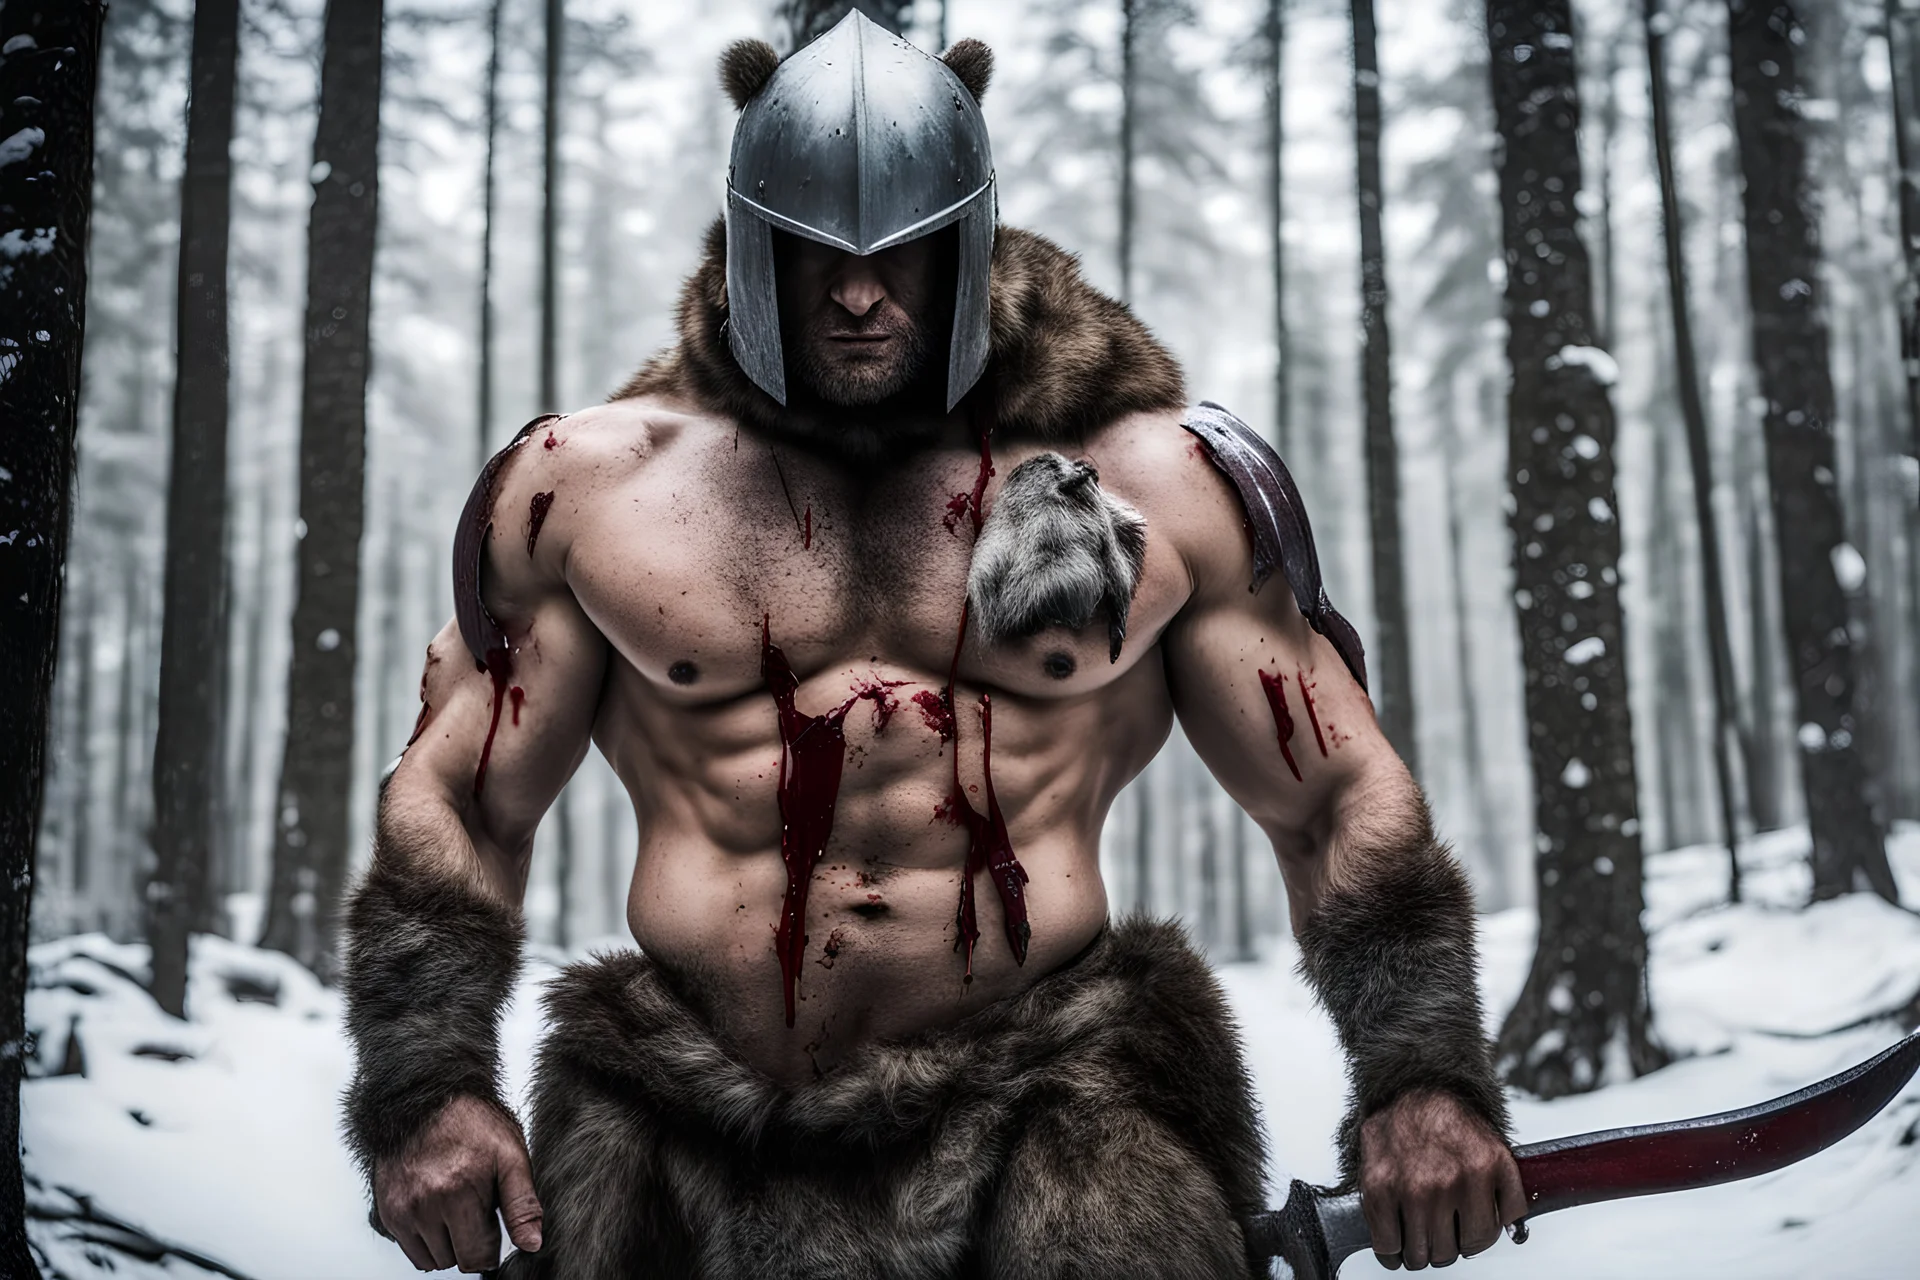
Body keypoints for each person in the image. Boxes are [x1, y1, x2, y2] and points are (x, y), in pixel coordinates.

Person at [343, 14, 1523, 1277]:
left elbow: (1334, 792)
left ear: (968, 245)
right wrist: (427, 1084)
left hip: (1052, 1115)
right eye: (814, 255)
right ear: (749, 245)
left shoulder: (1154, 485)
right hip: (684, 1118)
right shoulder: (590, 493)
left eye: (902, 254)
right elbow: (462, 799)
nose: (859, 293)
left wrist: (1421, 1073)